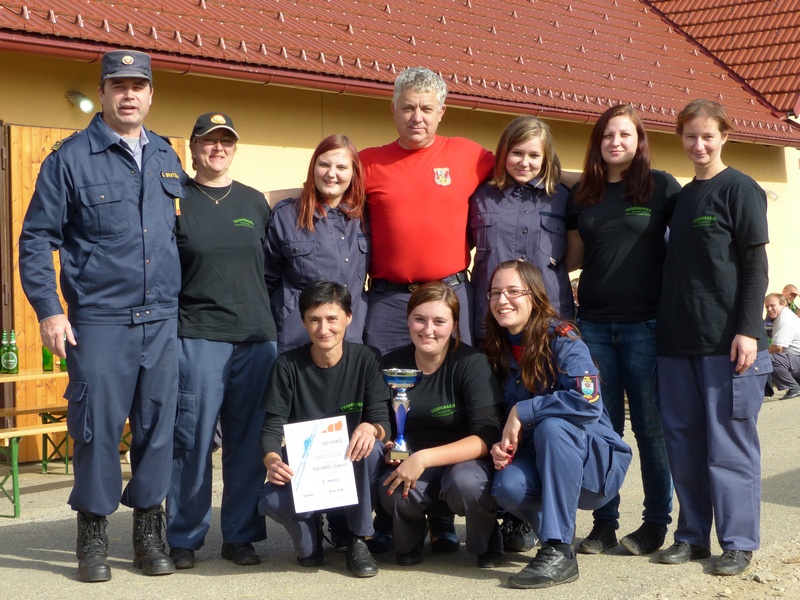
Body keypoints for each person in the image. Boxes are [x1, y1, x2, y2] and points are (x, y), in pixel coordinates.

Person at [18, 50, 184, 582]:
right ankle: (92, 533)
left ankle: (148, 531)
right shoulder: (69, 159)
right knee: (95, 429)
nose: (128, 94)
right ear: (103, 92)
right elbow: (36, 240)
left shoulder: (166, 155)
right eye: (118, 85)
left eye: (138, 85)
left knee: (158, 427)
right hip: (100, 319)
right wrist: (49, 311)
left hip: (161, 318)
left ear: (151, 93)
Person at [360, 66, 494, 550]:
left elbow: (532, 167)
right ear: (393, 110)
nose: (417, 117)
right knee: (384, 400)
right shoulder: (367, 162)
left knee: (451, 399)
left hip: (447, 296)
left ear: (442, 112)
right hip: (390, 300)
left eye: (426, 109)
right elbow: (319, 190)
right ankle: (386, 511)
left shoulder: (469, 155)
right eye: (408, 108)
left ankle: (441, 516)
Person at [656, 99, 771, 577]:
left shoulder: (740, 189)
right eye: (690, 136)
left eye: (707, 136)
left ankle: (738, 542)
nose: (699, 145)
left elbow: (756, 266)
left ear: (725, 136)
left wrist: (748, 329)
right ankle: (691, 537)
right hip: (676, 342)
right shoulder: (683, 198)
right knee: (683, 444)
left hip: (727, 342)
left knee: (729, 445)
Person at [565, 104, 679, 556]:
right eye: (608, 135)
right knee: (603, 428)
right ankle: (604, 524)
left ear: (639, 141)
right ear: (597, 142)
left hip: (645, 326)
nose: (616, 142)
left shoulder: (661, 187)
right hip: (593, 326)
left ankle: (655, 524)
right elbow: (572, 258)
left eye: (625, 135)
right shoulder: (583, 194)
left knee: (650, 428)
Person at [165, 113, 278, 569]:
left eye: (226, 141)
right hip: (198, 335)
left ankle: (241, 535)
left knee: (248, 441)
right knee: (191, 439)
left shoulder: (254, 202)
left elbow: (272, 268)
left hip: (255, 337)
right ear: (193, 148)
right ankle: (184, 536)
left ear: (234, 148)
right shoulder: (176, 199)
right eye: (208, 141)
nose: (217, 148)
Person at [486, 260, 632, 589]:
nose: (502, 300)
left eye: (512, 291)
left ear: (535, 296)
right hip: (539, 459)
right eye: (494, 292)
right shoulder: (497, 347)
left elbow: (588, 401)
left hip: (593, 467)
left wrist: (524, 410)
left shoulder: (563, 338)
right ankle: (548, 537)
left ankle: (558, 549)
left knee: (553, 426)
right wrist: (499, 444)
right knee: (507, 486)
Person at [258, 281, 391, 578]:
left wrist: (371, 428)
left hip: (351, 463)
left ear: (348, 318)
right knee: (274, 501)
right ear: (304, 321)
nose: (324, 329)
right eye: (314, 320)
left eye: (332, 319)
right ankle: (314, 530)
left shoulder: (367, 359)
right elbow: (271, 427)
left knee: (371, 449)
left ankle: (358, 539)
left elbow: (382, 420)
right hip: (307, 466)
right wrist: (272, 460)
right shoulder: (287, 365)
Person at [379, 282, 504, 568]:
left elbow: (486, 434)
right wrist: (388, 445)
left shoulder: (471, 362)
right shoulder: (391, 364)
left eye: (439, 321)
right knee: (395, 488)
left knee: (466, 484)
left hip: (464, 462)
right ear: (408, 320)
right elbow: (381, 420)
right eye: (419, 319)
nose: (428, 330)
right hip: (412, 462)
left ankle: (486, 540)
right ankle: (409, 539)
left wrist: (424, 458)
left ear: (454, 325)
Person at [469, 115, 573, 342]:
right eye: (517, 153)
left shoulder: (562, 198)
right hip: (491, 320)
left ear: (545, 158)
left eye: (534, 155)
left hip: (548, 320)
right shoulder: (479, 197)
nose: (524, 163)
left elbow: (575, 256)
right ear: (504, 153)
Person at [264, 134, 368, 353]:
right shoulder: (286, 216)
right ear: (313, 167)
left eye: (341, 167)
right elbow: (267, 280)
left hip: (351, 339)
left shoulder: (366, 218)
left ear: (354, 172)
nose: (331, 173)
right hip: (296, 339)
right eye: (324, 165)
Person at [764, 293, 800, 399]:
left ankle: (794, 387)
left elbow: (777, 348)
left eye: (772, 305)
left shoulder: (786, 319)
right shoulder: (781, 317)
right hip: (795, 358)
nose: (769, 309)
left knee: (768, 359)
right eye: (767, 307)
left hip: (797, 358)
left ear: (783, 304)